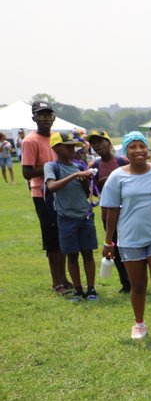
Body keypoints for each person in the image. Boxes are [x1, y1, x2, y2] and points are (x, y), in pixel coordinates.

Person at [99, 132, 151, 341]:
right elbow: (112, 210)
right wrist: (108, 241)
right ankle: (139, 324)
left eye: (142, 146)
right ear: (126, 151)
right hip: (130, 238)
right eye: (132, 147)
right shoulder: (117, 177)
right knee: (138, 284)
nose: (139, 150)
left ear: (147, 148)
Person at [44, 133, 99, 301]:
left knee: (88, 253)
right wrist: (75, 176)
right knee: (72, 255)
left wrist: (85, 180)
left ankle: (91, 289)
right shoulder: (52, 166)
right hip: (66, 218)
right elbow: (51, 186)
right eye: (67, 146)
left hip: (84, 216)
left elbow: (84, 193)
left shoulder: (77, 166)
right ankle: (77, 289)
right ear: (56, 148)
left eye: (72, 146)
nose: (71, 149)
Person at [22, 101, 69, 295]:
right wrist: (52, 166)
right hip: (42, 193)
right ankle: (56, 282)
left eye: (48, 114)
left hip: (61, 191)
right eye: (40, 115)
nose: (45, 118)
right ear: (34, 118)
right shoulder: (30, 141)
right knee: (51, 238)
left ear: (54, 117)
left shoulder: (56, 139)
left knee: (62, 234)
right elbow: (27, 172)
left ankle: (64, 278)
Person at [88, 131, 131, 294]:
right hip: (108, 215)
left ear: (109, 143)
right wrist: (99, 184)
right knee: (116, 249)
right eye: (94, 144)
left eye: (100, 142)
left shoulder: (122, 161)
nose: (97, 146)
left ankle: (137, 280)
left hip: (128, 213)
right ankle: (126, 283)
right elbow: (92, 192)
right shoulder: (94, 166)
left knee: (132, 247)